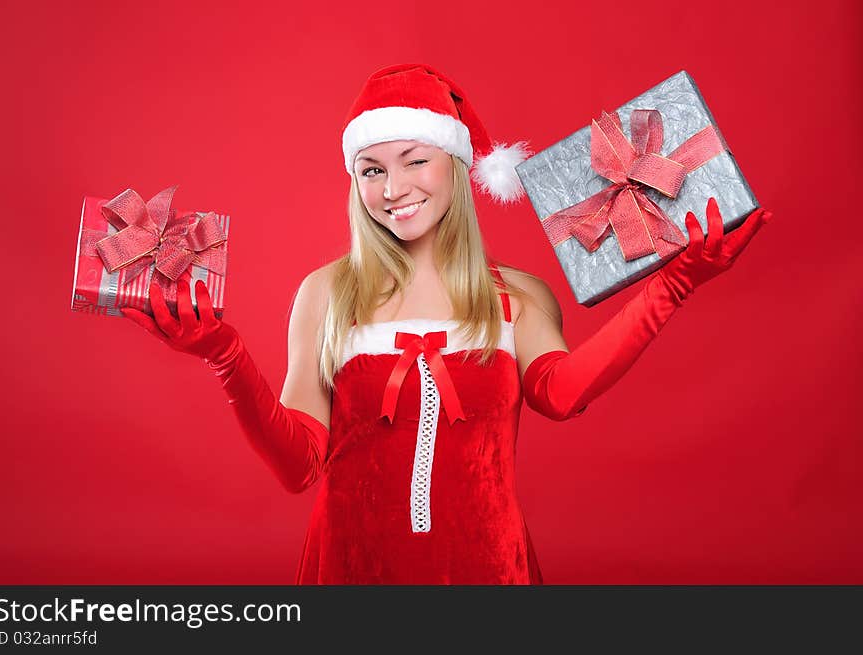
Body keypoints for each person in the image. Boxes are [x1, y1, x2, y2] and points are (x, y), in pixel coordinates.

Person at [121, 63, 772, 584]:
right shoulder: (326, 291)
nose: (392, 188)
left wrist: (674, 285)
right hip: (352, 575)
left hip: (489, 573)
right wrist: (226, 355)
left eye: (414, 160)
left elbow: (563, 392)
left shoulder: (516, 295)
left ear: (457, 168)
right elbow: (298, 466)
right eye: (371, 170)